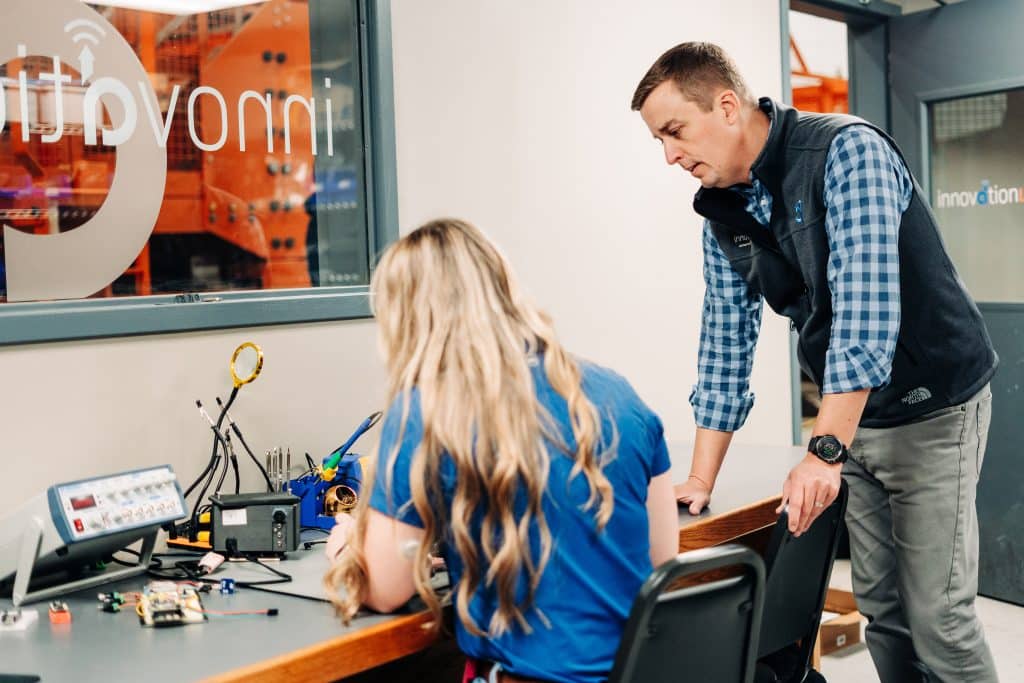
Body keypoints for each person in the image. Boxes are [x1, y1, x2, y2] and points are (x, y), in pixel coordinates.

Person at [631, 42, 999, 683]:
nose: (669, 156)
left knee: (939, 619)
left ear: (725, 106)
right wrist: (699, 478)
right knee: (882, 610)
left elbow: (865, 313)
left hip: (934, 407)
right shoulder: (722, 209)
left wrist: (824, 451)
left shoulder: (845, 151)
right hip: (856, 419)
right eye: (658, 140)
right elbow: (725, 339)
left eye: (674, 131)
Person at [324, 218, 679, 683]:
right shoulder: (618, 394)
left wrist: (348, 546)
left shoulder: (426, 413)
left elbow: (386, 591)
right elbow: (660, 561)